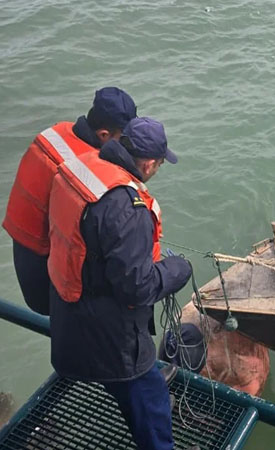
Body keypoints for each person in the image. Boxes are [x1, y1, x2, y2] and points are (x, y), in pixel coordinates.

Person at [47, 117, 191, 450]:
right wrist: (177, 270)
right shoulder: (129, 208)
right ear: (150, 163)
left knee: (128, 387)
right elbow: (137, 287)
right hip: (108, 336)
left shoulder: (80, 167)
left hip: (67, 315)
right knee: (150, 397)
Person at [2, 87, 137, 315]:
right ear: (104, 135)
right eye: (122, 139)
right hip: (42, 268)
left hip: (21, 238)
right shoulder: (84, 168)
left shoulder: (57, 131)